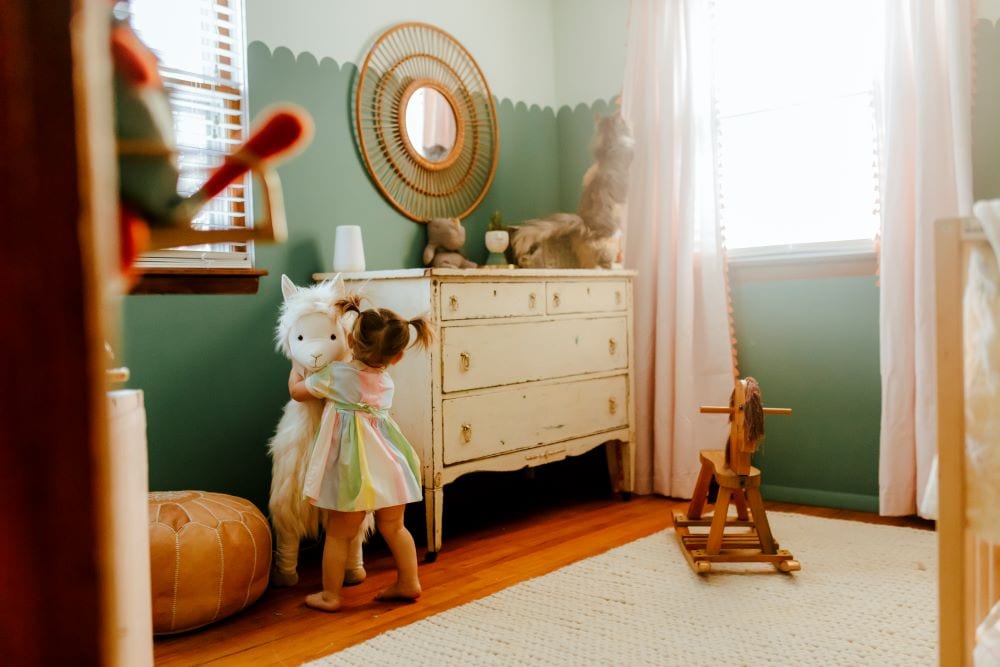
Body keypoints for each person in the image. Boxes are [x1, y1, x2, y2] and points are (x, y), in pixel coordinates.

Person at [298, 295, 433, 612]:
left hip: (353, 471)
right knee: (395, 527)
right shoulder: (385, 380)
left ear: (349, 339)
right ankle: (409, 581)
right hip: (389, 464)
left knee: (338, 534)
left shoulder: (336, 375)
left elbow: (297, 392)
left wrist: (297, 371)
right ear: (397, 357)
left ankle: (331, 595)